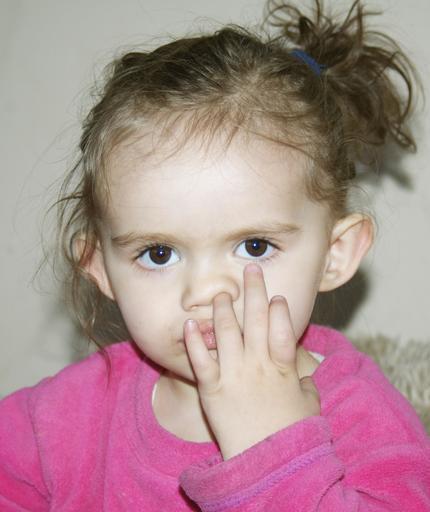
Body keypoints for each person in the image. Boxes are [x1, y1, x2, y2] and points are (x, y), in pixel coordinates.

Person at [1, 0, 429, 510]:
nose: (205, 292)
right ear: (100, 269)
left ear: (334, 254)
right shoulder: (64, 418)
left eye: (254, 246)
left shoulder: (360, 413)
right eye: (159, 253)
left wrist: (273, 450)